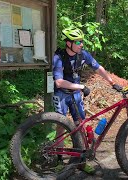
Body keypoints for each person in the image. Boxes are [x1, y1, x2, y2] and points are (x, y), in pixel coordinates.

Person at [52, 27, 123, 174]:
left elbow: (98, 68)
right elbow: (58, 82)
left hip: (76, 94)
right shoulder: (59, 57)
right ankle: (58, 159)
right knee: (60, 125)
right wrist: (81, 86)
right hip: (61, 93)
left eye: (82, 41)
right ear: (68, 43)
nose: (81, 44)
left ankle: (81, 162)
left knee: (81, 124)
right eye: (78, 41)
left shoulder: (82, 54)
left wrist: (112, 82)